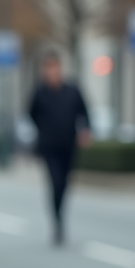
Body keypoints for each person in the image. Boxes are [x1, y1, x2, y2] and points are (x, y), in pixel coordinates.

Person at [28, 52, 91, 245]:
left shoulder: (72, 91)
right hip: (49, 146)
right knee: (55, 183)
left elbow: (85, 112)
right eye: (48, 69)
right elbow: (30, 113)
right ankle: (57, 222)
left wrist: (86, 131)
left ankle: (60, 213)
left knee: (64, 184)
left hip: (68, 145)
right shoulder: (39, 93)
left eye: (54, 68)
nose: (51, 72)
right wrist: (42, 129)